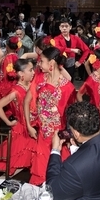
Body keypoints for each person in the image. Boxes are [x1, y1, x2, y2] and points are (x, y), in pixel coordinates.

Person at [24, 46, 76, 185]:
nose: (39, 64)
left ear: (51, 63)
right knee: (40, 175)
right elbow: (27, 101)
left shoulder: (68, 88)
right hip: (42, 135)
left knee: (58, 178)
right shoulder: (39, 79)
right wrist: (29, 125)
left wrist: (69, 138)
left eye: (42, 61)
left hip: (58, 138)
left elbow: (71, 117)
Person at [0, 58, 36, 176]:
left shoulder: (32, 85)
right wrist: (8, 122)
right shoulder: (16, 91)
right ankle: (4, 179)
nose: (33, 72)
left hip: (33, 125)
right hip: (22, 129)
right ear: (21, 73)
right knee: (20, 159)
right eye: (30, 70)